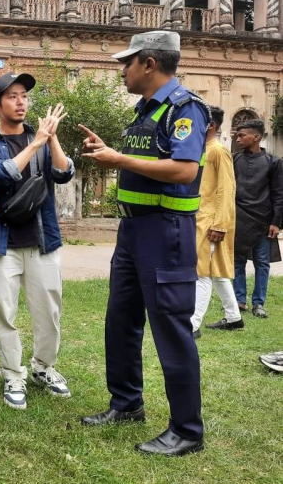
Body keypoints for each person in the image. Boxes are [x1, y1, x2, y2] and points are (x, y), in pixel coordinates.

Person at [79, 31, 207, 456]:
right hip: (132, 231)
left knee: (170, 328)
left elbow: (185, 170)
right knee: (121, 321)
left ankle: (187, 430)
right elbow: (146, 162)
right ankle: (126, 403)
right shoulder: (145, 112)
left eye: (128, 62)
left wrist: (118, 159)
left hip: (165, 230)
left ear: (150, 63)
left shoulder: (184, 109)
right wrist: (111, 152)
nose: (123, 70)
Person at [0, 73, 74, 410]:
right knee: (4, 311)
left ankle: (43, 368)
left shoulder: (43, 138)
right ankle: (13, 374)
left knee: (49, 310)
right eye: (12, 96)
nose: (21, 102)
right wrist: (36, 143)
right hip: (3, 242)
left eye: (24, 96)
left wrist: (52, 140)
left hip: (42, 238)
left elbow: (63, 173)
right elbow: (2, 175)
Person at [190, 107, 242, 338]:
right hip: (200, 217)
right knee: (215, 270)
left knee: (202, 271)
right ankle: (234, 317)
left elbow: (227, 189)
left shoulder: (219, 151)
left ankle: (193, 325)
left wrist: (220, 224)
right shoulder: (201, 149)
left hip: (210, 221)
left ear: (210, 125)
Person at [232, 119, 283, 319]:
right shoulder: (233, 159)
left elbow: (279, 194)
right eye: (237, 135)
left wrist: (276, 222)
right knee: (238, 262)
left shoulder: (273, 162)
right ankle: (239, 301)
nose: (238, 138)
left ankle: (259, 303)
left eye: (242, 135)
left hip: (263, 220)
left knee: (262, 263)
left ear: (256, 137)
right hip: (238, 218)